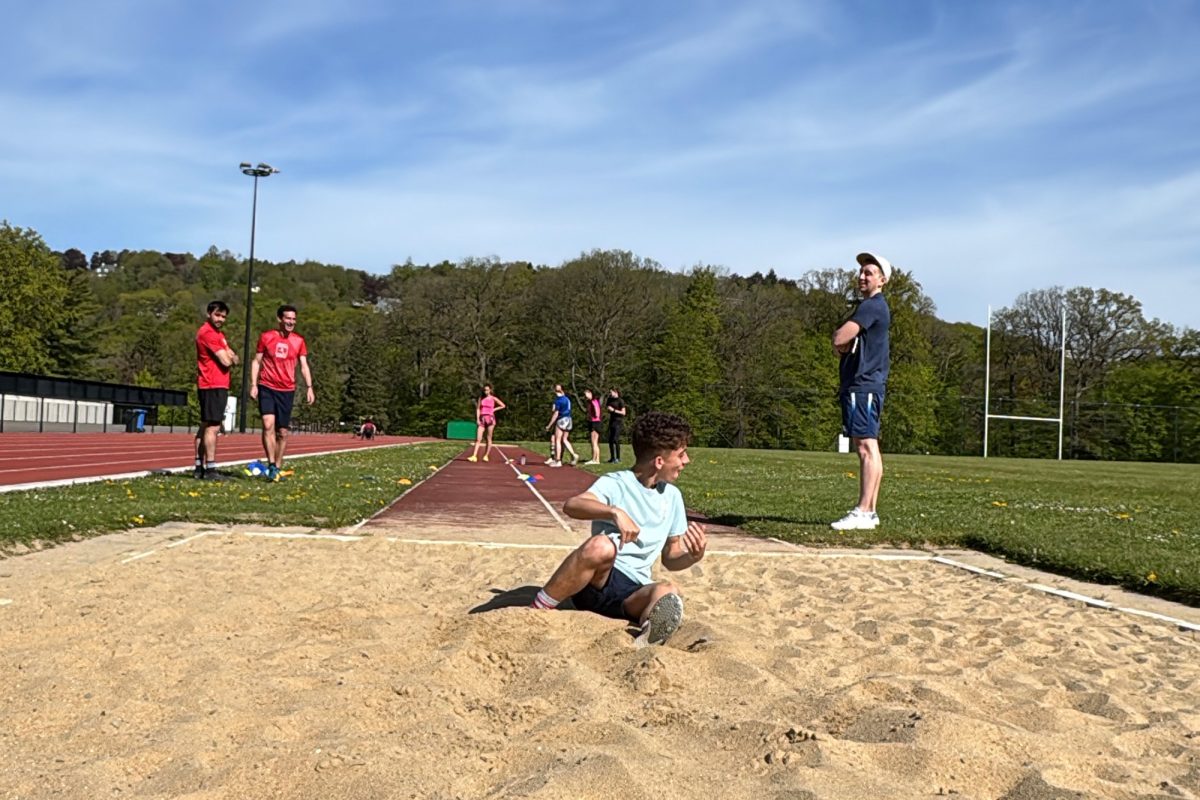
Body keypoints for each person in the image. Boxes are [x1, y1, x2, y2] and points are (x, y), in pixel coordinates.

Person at [530, 411, 707, 646]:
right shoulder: (616, 483)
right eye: (682, 454)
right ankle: (538, 609)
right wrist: (614, 512)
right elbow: (573, 505)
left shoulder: (672, 497)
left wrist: (692, 556)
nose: (687, 461)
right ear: (659, 461)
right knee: (601, 546)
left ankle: (647, 638)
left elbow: (671, 557)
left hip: (631, 592)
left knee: (668, 591)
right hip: (596, 581)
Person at [831, 251, 892, 530]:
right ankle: (870, 511)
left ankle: (864, 511)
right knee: (870, 446)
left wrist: (841, 341)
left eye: (869, 273)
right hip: (868, 383)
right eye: (861, 272)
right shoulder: (875, 307)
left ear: (882, 280)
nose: (862, 276)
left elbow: (840, 337)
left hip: (863, 384)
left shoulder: (871, 307)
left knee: (865, 446)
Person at [249, 304, 315, 482]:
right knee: (267, 424)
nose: (291, 322)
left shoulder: (299, 341)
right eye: (288, 318)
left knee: (283, 432)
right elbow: (256, 361)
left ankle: (277, 467)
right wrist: (254, 384)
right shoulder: (266, 337)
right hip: (267, 386)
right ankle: (271, 464)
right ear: (280, 319)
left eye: (293, 319)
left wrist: (309, 387)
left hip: (286, 390)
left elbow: (304, 366)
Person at [194, 300, 238, 480]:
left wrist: (230, 355)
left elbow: (235, 357)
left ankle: (199, 467)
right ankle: (210, 469)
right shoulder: (208, 334)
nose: (220, 319)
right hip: (212, 383)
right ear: (209, 314)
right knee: (213, 426)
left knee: (205, 425)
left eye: (223, 317)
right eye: (217, 315)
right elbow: (227, 360)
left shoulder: (218, 334)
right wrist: (229, 355)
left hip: (214, 383)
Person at [468, 384, 506, 462]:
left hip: (490, 419)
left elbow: (503, 405)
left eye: (487, 390)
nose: (486, 391)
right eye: (485, 390)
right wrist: (477, 419)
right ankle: (474, 456)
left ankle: (486, 455)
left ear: (490, 390)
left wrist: (494, 409)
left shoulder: (493, 398)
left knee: (488, 438)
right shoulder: (481, 398)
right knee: (478, 438)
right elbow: (478, 409)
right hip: (482, 419)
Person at [544, 383, 579, 467]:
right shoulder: (567, 399)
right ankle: (573, 454)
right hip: (569, 419)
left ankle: (558, 460)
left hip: (561, 419)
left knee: (557, 440)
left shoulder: (558, 401)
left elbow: (556, 414)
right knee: (565, 439)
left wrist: (549, 425)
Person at [605, 388, 627, 463]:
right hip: (612, 421)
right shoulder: (609, 400)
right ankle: (612, 457)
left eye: (611, 392)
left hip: (618, 421)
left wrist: (614, 410)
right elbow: (607, 408)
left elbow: (623, 413)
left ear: (616, 392)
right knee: (610, 440)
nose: (610, 394)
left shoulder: (620, 401)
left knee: (615, 439)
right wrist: (608, 409)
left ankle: (618, 457)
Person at [583, 388, 603, 465]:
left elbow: (596, 410)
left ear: (590, 393)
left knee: (594, 441)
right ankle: (597, 459)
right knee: (595, 442)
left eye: (586, 395)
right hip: (595, 422)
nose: (586, 397)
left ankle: (594, 459)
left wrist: (595, 416)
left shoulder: (593, 401)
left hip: (595, 422)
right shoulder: (592, 401)